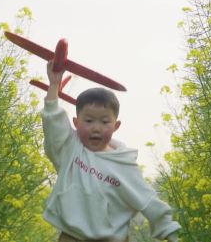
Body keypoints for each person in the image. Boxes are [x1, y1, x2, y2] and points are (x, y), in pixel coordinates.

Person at [41, 60, 181, 242]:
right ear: (76, 123)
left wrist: (170, 233)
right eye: (89, 121)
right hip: (71, 237)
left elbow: (148, 200)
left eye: (104, 122)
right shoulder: (70, 150)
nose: (96, 128)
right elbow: (54, 125)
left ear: (116, 126)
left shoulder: (124, 165)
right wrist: (53, 85)